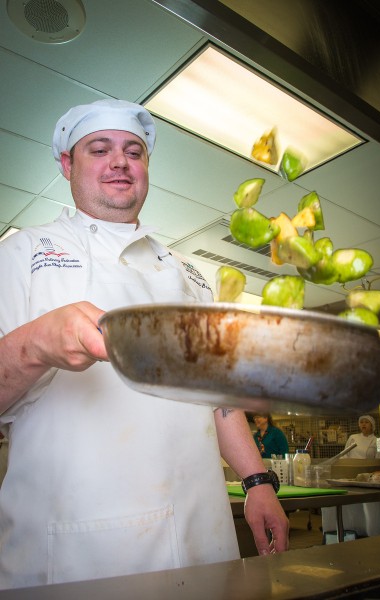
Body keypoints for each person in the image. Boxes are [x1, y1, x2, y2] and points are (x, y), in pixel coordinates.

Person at [0, 99, 289, 589]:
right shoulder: (21, 253)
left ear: (146, 167)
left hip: (203, 535)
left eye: (133, 151)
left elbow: (218, 398)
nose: (120, 161)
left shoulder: (191, 275)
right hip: (76, 549)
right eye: (100, 149)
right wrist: (34, 344)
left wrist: (257, 481)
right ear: (67, 165)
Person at [322, 414, 380, 541]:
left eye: (366, 422)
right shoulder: (353, 438)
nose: (363, 424)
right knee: (351, 506)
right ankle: (352, 530)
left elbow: (379, 458)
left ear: (372, 426)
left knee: (369, 506)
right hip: (350, 474)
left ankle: (371, 533)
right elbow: (345, 455)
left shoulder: (377, 440)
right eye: (361, 422)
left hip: (367, 476)